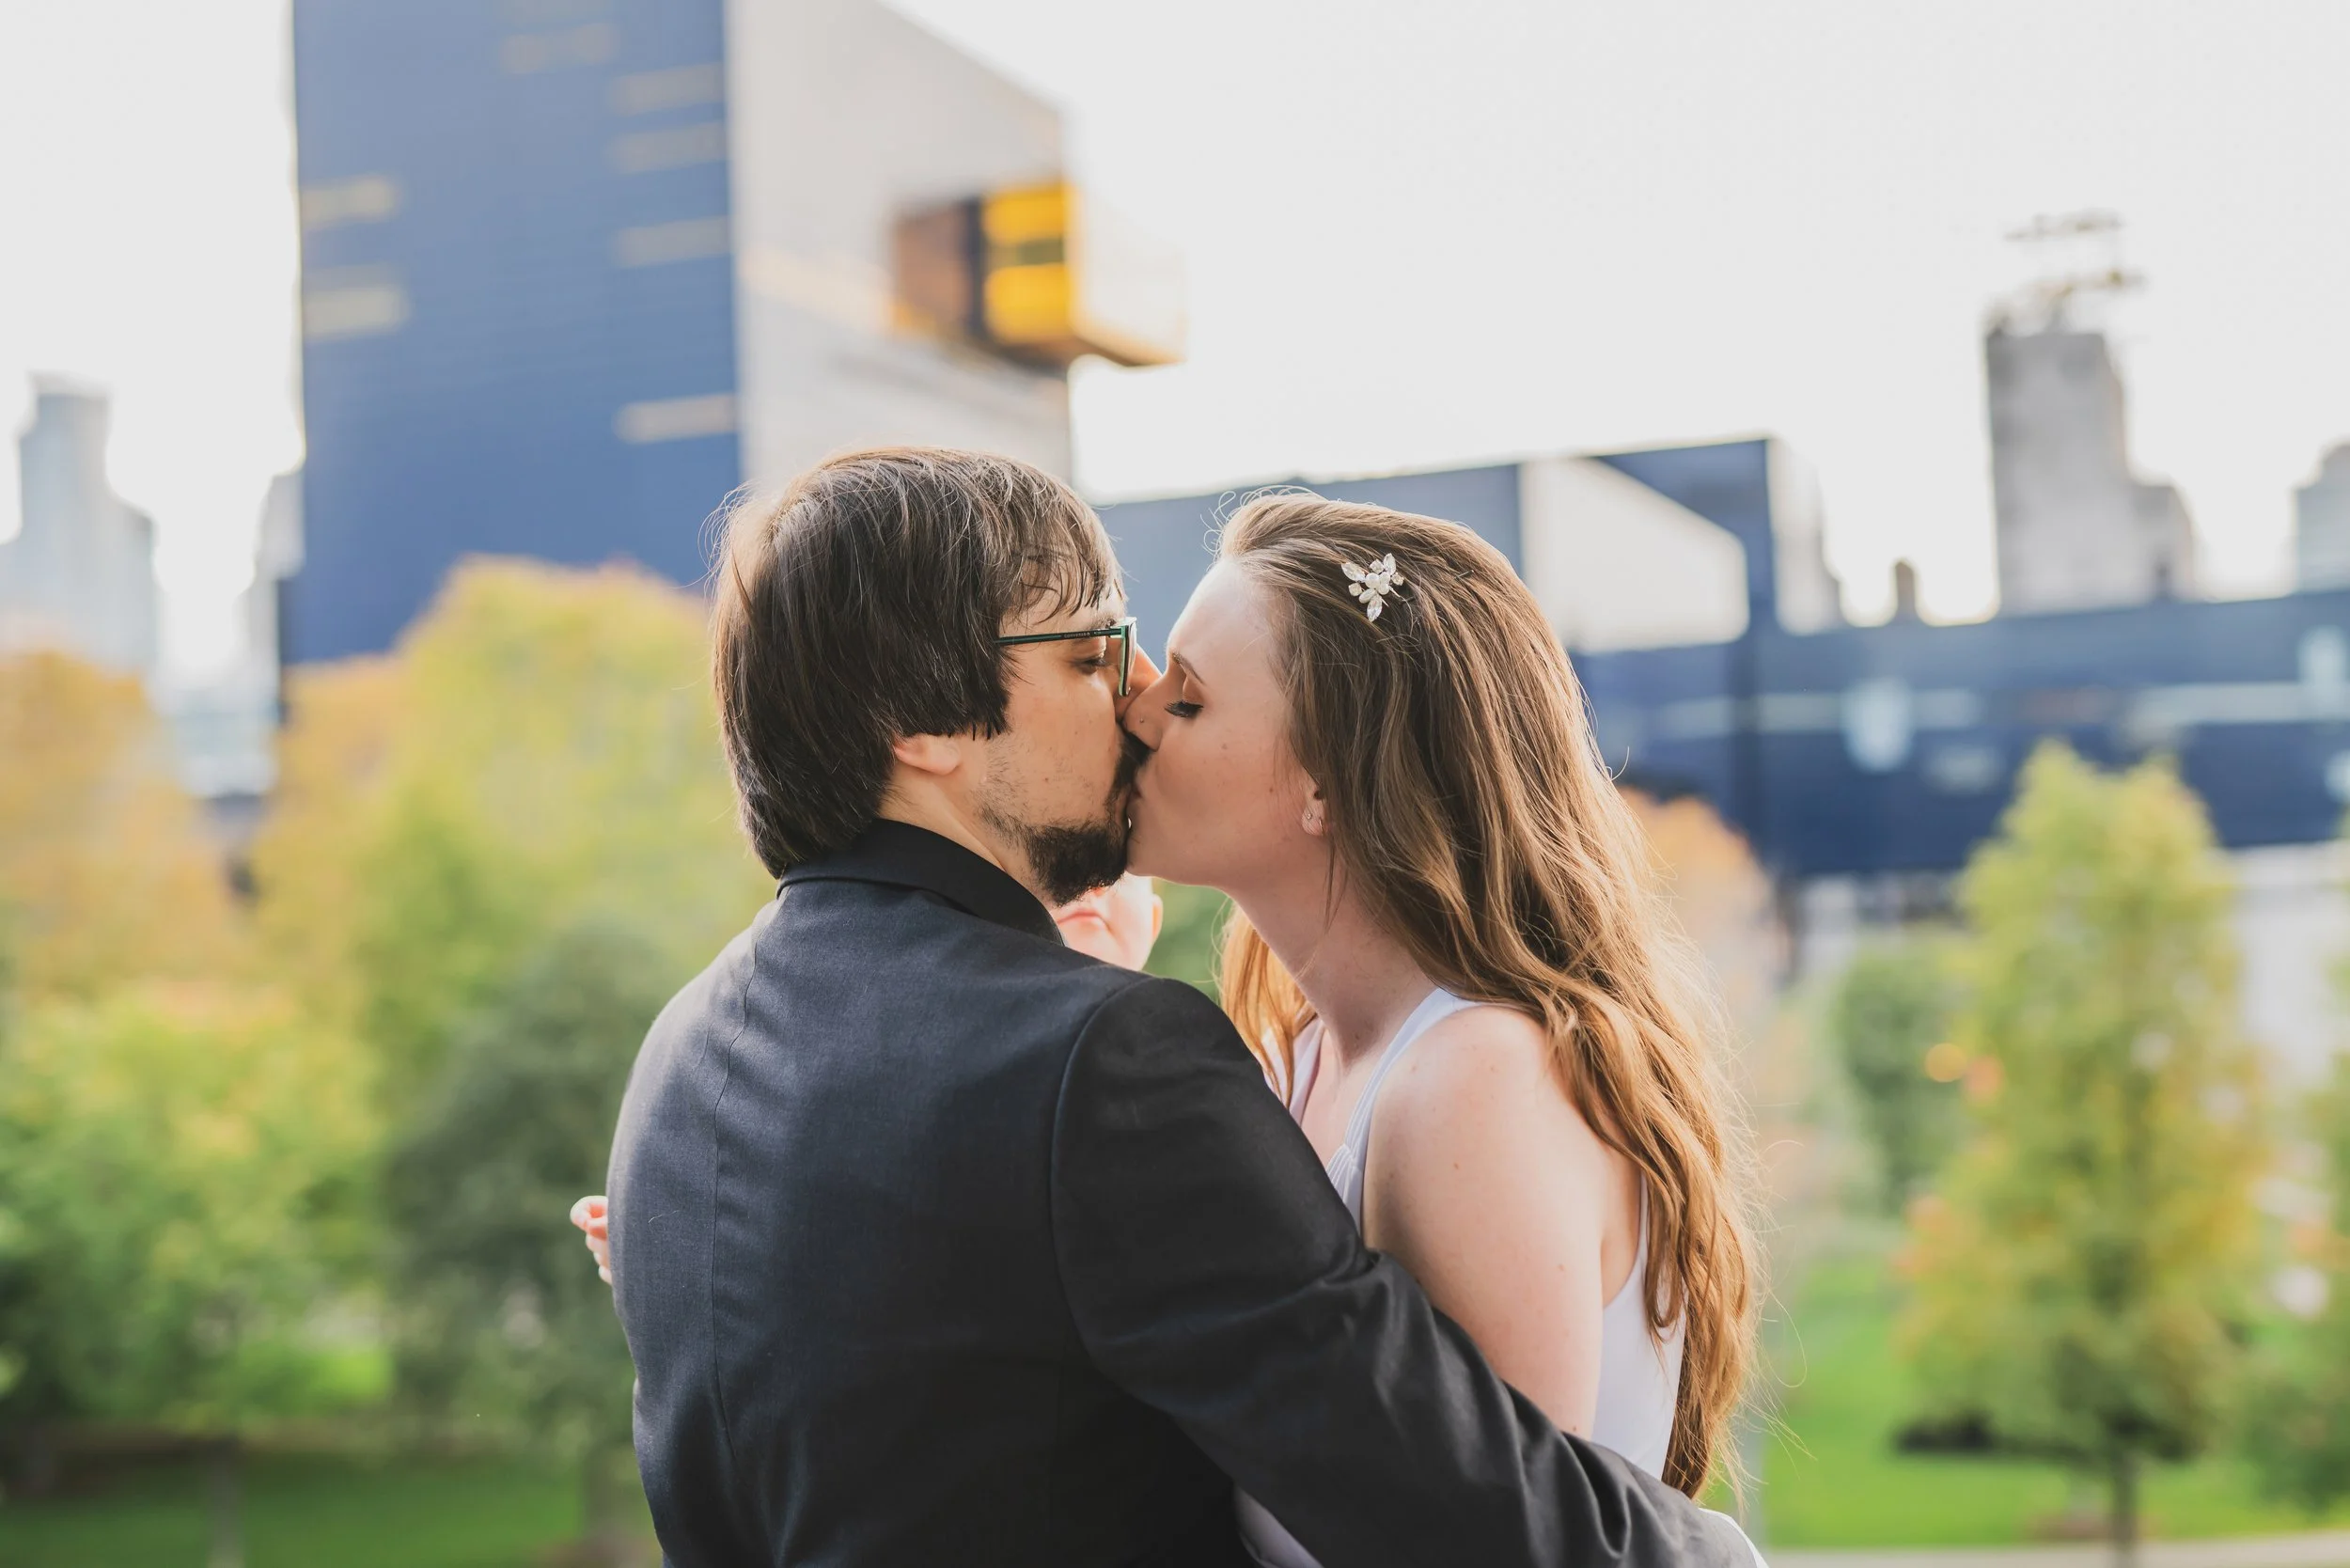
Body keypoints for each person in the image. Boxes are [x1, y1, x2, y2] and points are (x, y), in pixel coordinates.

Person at [599, 447, 1755, 1566]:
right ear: (924, 725)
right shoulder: (1100, 1060)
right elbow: (1483, 1518)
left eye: (1180, 690)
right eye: (1092, 653)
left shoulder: (679, 1061)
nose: (1138, 701)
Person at [1118, 494, 1757, 1565]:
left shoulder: (1474, 1081)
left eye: (1187, 700)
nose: (1135, 717)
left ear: (1327, 777)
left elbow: (1503, 1544)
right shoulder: (1302, 1053)